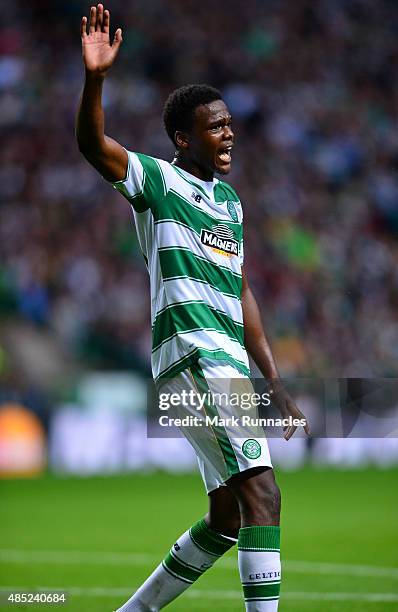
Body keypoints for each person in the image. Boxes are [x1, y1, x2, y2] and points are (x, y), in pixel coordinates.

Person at [76, 5, 309, 611]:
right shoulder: (156, 181)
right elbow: (93, 147)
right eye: (215, 127)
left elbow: (242, 291)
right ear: (184, 137)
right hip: (195, 355)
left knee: (229, 516)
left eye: (230, 124)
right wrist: (96, 79)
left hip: (222, 361)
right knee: (266, 496)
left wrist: (273, 380)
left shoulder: (229, 202)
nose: (228, 133)